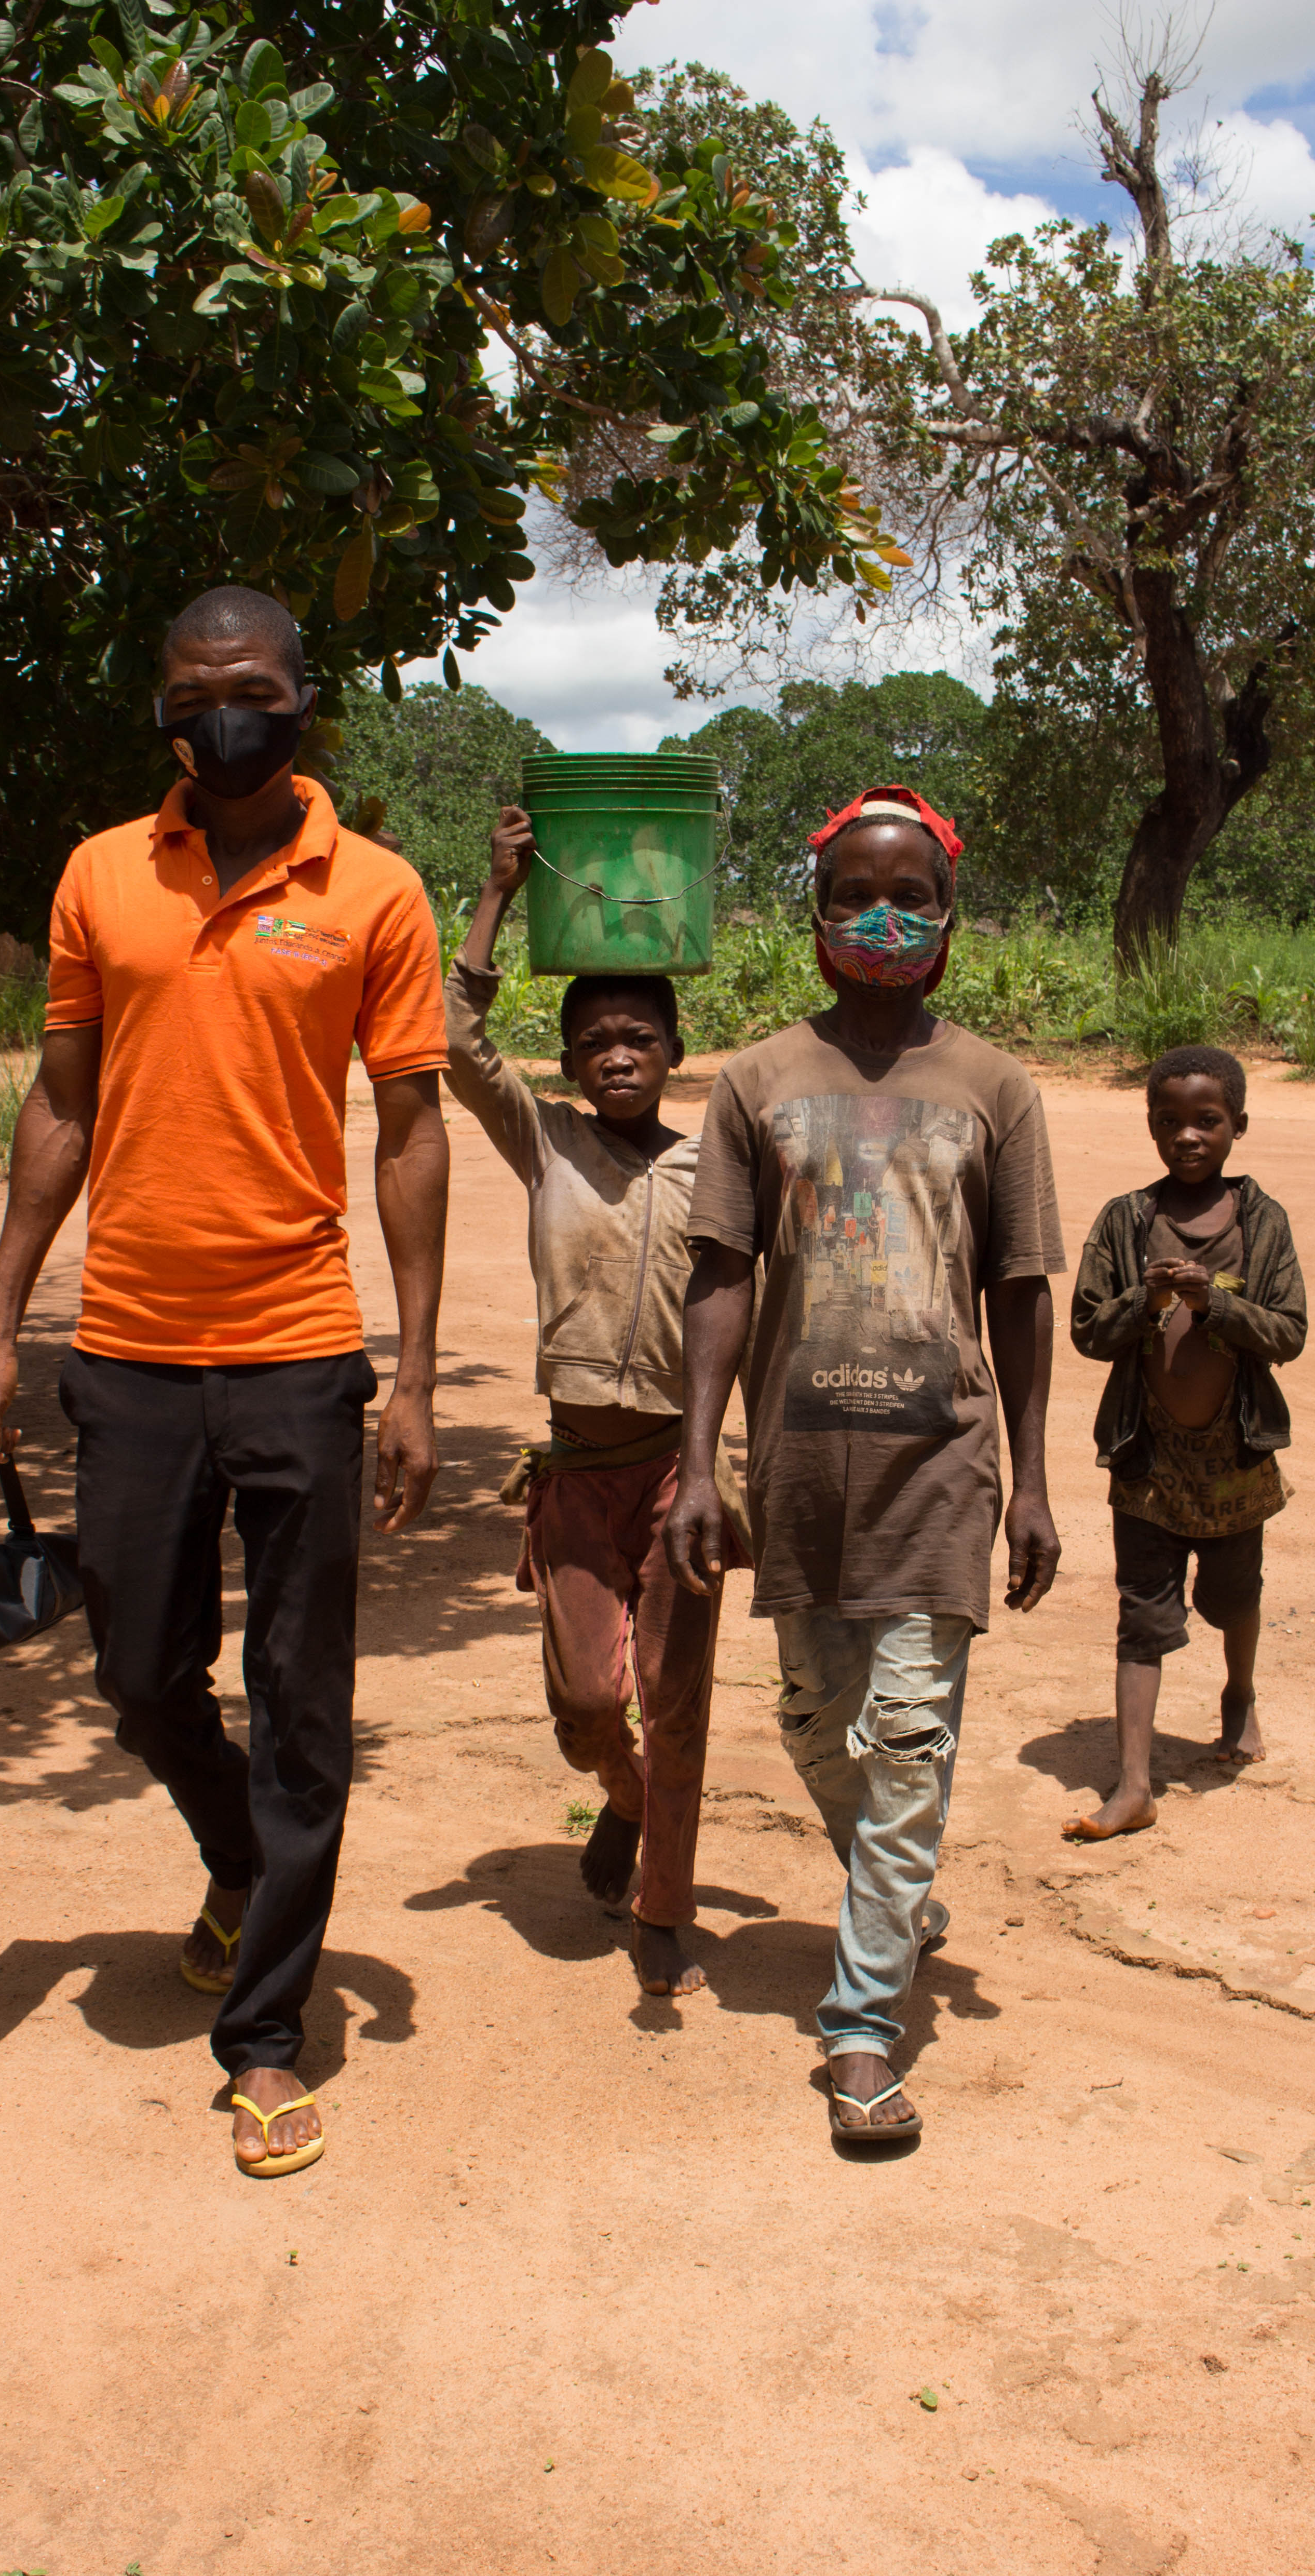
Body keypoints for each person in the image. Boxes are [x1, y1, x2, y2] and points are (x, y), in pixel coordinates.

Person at [0, 585, 450, 2177]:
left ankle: (265, 2037)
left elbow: (415, 1129)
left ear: (303, 699)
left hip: (302, 1347)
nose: (222, 709)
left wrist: (418, 1368)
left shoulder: (374, 891)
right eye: (193, 689)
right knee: (139, 1679)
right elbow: (58, 1101)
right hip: (133, 1350)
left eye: (250, 686)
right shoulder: (105, 873)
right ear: (162, 707)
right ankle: (237, 1856)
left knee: (307, 1701)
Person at [665, 787, 1064, 2142]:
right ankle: (898, 1889)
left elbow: (1019, 1289)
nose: (884, 918)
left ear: (951, 921)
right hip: (798, 1470)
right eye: (854, 897)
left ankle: (861, 2031)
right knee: (815, 1728)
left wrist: (1037, 1480)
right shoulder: (755, 1081)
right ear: (817, 916)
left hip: (942, 1466)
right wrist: (697, 1465)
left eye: (912, 897)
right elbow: (720, 1277)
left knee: (908, 1737)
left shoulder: (997, 1088)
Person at [445, 813, 746, 1997]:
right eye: (591, 1042)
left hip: (680, 1467)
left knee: (676, 1697)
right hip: (576, 1470)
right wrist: (498, 893)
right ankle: (620, 1800)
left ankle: (661, 1907)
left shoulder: (717, 1162)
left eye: (637, 1037)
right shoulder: (549, 1146)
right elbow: (457, 1045)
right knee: (586, 1706)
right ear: (567, 1063)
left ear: (675, 1047)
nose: (616, 1055)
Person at [1065, 1043, 1306, 1843]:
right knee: (1143, 1615)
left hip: (1235, 1461)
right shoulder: (1126, 1220)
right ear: (1150, 1127)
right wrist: (1148, 1297)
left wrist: (1217, 1307)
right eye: (1169, 1122)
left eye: (1207, 1121)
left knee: (1236, 1595)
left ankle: (1238, 1695)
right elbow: (1088, 1331)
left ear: (1239, 1124)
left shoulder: (1262, 1222)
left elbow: (1290, 1333)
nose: (1188, 1137)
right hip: (1147, 1461)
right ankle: (1134, 1784)